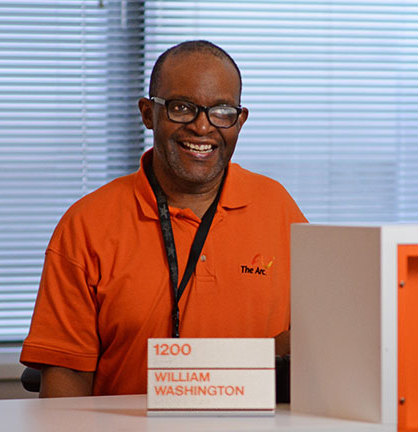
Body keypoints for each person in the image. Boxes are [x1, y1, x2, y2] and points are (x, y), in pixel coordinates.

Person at [20, 40, 307, 397]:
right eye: (182, 108)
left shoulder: (278, 208)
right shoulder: (86, 225)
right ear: (147, 113)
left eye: (221, 111)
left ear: (239, 120)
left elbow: (321, 339)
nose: (202, 128)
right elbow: (64, 386)